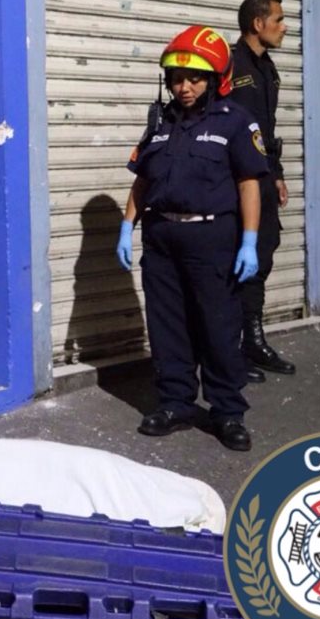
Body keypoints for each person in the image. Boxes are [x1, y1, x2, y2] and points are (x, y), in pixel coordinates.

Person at [115, 25, 269, 451]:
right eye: (177, 79)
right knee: (167, 327)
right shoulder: (161, 123)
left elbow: (249, 183)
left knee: (218, 327)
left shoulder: (235, 122)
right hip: (162, 237)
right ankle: (175, 402)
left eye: (194, 78)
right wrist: (128, 226)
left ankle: (227, 411)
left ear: (215, 78)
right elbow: (143, 180)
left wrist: (249, 241)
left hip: (211, 237)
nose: (184, 87)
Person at [229, 0, 295, 381]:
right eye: (279, 19)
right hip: (236, 182)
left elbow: (266, 131)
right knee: (232, 262)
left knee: (263, 256)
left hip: (264, 176)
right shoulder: (229, 64)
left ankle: (252, 341)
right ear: (258, 24)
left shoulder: (267, 68)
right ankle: (228, 349)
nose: (284, 27)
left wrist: (278, 172)